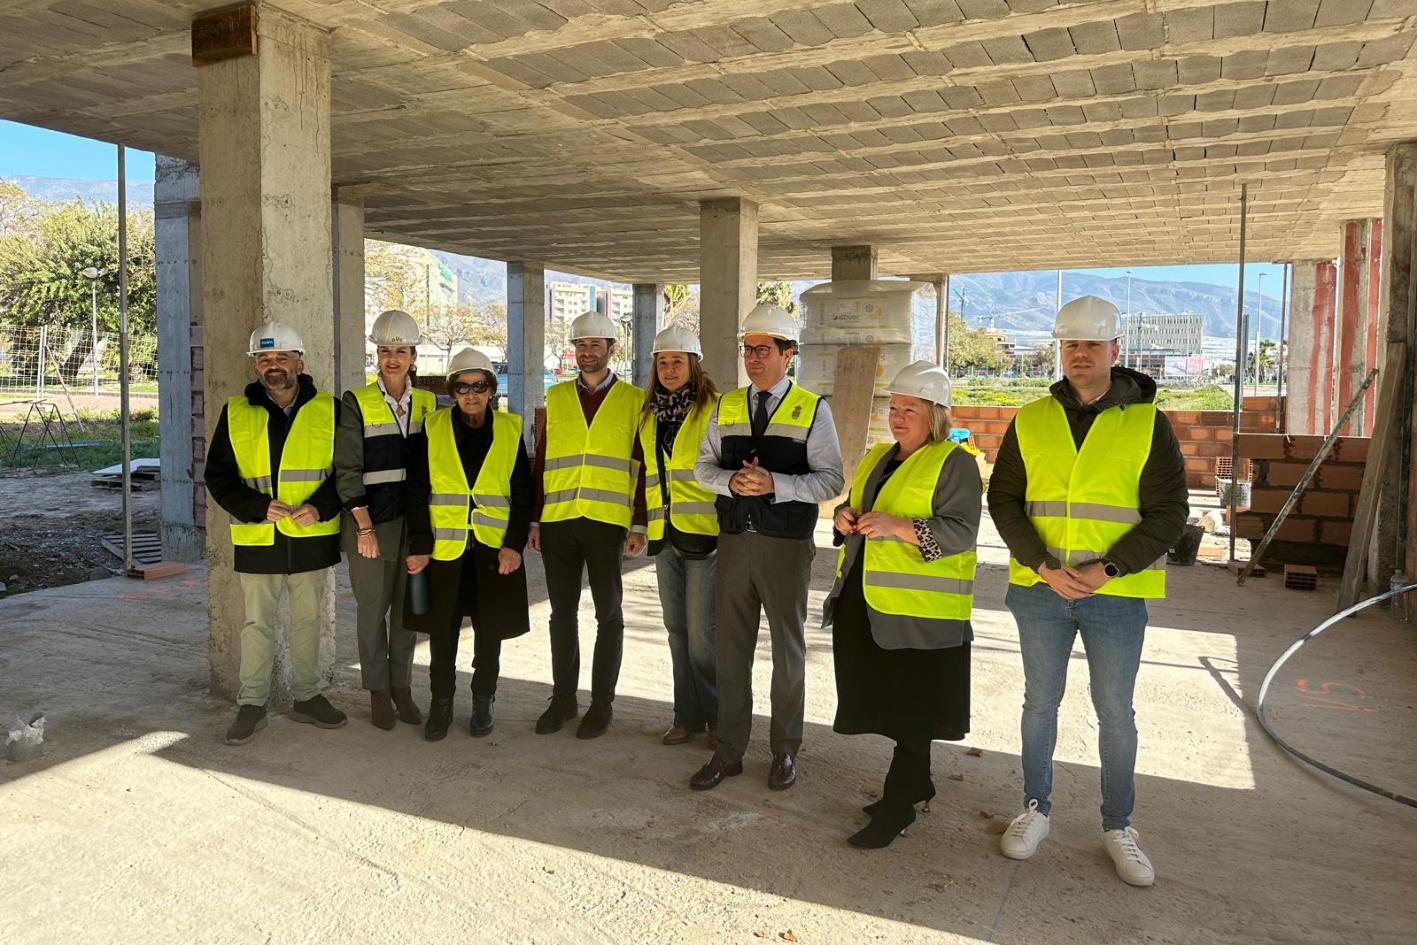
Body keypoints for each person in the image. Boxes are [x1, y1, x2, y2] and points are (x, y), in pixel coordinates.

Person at [987, 295, 1188, 887]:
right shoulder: (1031, 418)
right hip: (1040, 589)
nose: (1080, 354)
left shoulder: (1148, 422)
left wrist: (1109, 569)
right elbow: (1003, 499)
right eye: (1071, 344)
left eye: (1092, 345)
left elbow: (1170, 512)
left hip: (1115, 596)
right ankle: (1035, 809)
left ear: (1114, 351)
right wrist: (1043, 565)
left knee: (1115, 712)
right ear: (1061, 350)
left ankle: (1118, 825)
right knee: (1039, 703)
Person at [689, 302, 844, 792]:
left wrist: (776, 483)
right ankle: (729, 751)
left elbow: (831, 481)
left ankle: (784, 751)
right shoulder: (727, 406)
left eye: (763, 350)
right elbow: (702, 468)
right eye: (748, 349)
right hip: (735, 542)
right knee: (731, 652)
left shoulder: (813, 409)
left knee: (787, 652)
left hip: (785, 547)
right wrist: (731, 482)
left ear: (787, 354)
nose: (753, 358)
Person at [827, 361, 980, 848]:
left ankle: (897, 807)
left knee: (914, 710)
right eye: (894, 408)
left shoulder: (955, 462)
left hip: (921, 611)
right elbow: (856, 508)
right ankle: (919, 784)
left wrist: (897, 526)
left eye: (909, 410)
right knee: (891, 701)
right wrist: (843, 517)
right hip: (868, 600)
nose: (897, 418)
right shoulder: (877, 456)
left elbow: (962, 532)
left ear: (935, 413)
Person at [205, 321, 348, 745]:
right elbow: (217, 477)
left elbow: (348, 472)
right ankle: (252, 704)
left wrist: (320, 506)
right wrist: (255, 508)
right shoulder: (235, 412)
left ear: (299, 363)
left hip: (312, 535)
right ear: (255, 366)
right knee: (257, 625)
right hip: (259, 538)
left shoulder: (331, 409)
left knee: (308, 621)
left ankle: (307, 697)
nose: (273, 365)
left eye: (282, 357)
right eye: (264, 358)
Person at [404, 347, 533, 740]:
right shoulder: (432, 428)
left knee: (489, 632)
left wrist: (514, 544)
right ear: (452, 391)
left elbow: (522, 492)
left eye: (479, 386)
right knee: (441, 633)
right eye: (463, 387)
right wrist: (419, 545)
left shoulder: (510, 429)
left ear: (491, 389)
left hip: (493, 550)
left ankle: (483, 700)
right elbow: (417, 490)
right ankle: (441, 704)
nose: (471, 394)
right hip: (444, 550)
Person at [529, 310, 647, 739]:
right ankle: (563, 699)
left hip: (607, 522)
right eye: (581, 345)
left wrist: (639, 523)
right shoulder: (557, 395)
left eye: (595, 344)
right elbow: (543, 460)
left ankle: (601, 705)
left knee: (608, 614)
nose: (587, 351)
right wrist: (535, 519)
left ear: (611, 348)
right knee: (561, 615)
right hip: (559, 520)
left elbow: (643, 464)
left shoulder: (635, 399)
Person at [333, 309, 436, 730]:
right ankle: (377, 690)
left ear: (413, 356)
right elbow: (346, 470)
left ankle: (401, 688)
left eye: (401, 351)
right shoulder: (356, 401)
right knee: (372, 611)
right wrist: (364, 527)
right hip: (370, 526)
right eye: (385, 351)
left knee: (409, 612)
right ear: (376, 355)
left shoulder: (429, 403)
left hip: (414, 525)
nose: (392, 359)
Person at [637, 325, 721, 747]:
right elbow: (646, 475)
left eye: (677, 361)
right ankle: (685, 717)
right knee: (676, 631)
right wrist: (640, 527)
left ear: (694, 365)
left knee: (703, 638)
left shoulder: (717, 410)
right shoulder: (649, 414)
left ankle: (718, 720)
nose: (669, 369)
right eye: (663, 362)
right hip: (664, 535)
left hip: (706, 537)